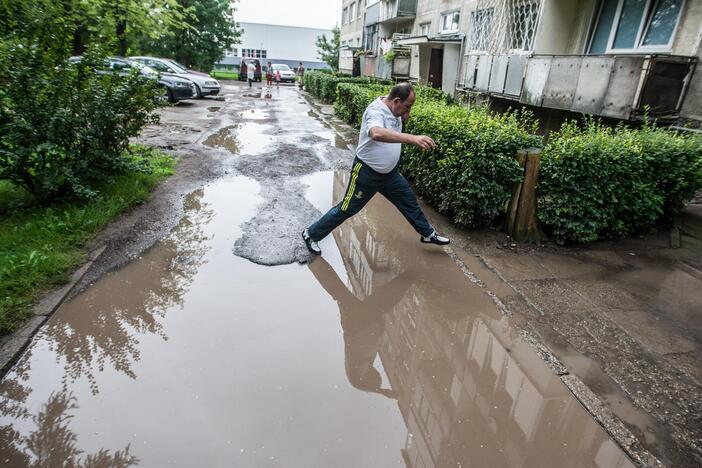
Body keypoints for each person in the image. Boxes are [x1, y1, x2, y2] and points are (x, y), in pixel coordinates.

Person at [302, 82, 450, 255]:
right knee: (347, 208)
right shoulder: (376, 111)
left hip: (389, 175)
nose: (408, 110)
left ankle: (427, 234)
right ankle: (311, 234)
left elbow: (397, 120)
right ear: (396, 101)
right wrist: (412, 138)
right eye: (407, 106)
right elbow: (376, 133)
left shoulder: (396, 110)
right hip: (366, 173)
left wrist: (405, 113)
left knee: (409, 200)